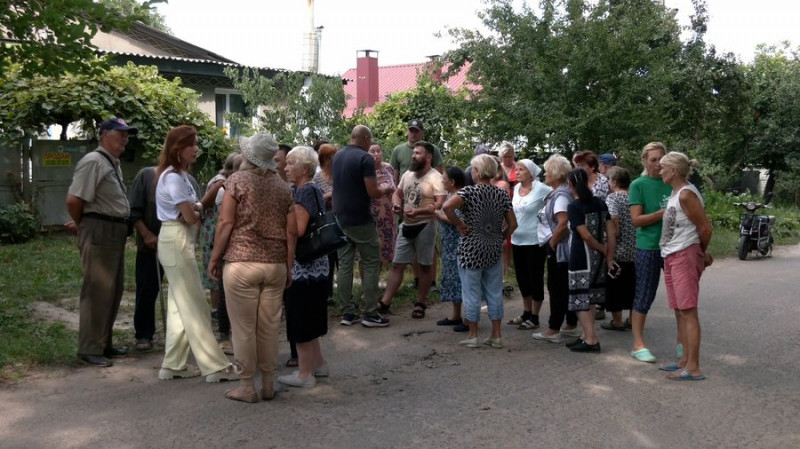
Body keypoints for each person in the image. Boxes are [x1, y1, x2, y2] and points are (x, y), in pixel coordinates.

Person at [208, 133, 295, 402]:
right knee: (269, 327)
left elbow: (225, 224)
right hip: (275, 264)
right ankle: (268, 383)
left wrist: (214, 257)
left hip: (241, 263)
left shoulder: (236, 181)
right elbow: (291, 231)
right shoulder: (283, 187)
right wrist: (289, 266)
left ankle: (247, 385)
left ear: (248, 156)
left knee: (243, 328)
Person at [153, 125, 239, 384]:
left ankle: (173, 365)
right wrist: (197, 212)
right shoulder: (172, 178)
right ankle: (215, 367)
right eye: (192, 145)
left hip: (180, 240)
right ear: (178, 148)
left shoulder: (179, 176)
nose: (196, 149)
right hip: (176, 239)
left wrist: (196, 210)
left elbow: (194, 210)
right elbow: (191, 216)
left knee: (181, 308)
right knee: (196, 306)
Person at [65, 117, 136, 367]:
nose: (125, 138)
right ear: (105, 134)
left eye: (127, 134)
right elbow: (74, 200)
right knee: (97, 290)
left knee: (112, 290)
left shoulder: (110, 162)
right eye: (120, 133)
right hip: (100, 229)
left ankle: (103, 343)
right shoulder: (94, 161)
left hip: (112, 230)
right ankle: (89, 347)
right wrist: (84, 224)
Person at [129, 160, 210, 352]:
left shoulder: (188, 180)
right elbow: (134, 211)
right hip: (150, 245)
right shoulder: (146, 175)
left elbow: (196, 212)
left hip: (179, 245)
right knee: (146, 290)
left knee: (182, 292)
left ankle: (183, 336)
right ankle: (143, 334)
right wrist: (147, 235)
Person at [443, 154, 517, 349]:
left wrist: (459, 224)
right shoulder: (501, 194)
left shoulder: (468, 192)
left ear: (476, 172)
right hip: (493, 248)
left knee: (471, 292)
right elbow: (513, 224)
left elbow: (446, 206)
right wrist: (500, 237)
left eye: (473, 169)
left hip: (471, 248)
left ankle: (473, 334)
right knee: (494, 292)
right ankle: (496, 335)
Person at [277, 146, 331, 389]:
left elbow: (297, 230)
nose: (286, 168)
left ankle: (304, 373)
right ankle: (318, 364)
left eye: (290, 163)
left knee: (301, 318)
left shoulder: (304, 191)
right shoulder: (313, 188)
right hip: (317, 264)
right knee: (312, 316)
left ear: (304, 168)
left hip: (304, 267)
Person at [658, 152, 713, 381]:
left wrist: (700, 253)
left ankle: (694, 367)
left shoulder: (686, 194)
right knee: (680, 311)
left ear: (673, 171)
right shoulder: (675, 194)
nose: (660, 171)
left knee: (689, 312)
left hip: (684, 255)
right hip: (671, 255)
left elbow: (705, 228)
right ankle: (683, 361)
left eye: (663, 168)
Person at [332, 125, 394, 327]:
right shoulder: (365, 158)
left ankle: (348, 312)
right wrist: (384, 189)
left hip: (340, 216)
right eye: (371, 140)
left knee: (345, 264)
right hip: (360, 217)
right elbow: (372, 191)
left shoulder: (338, 155)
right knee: (370, 262)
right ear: (366, 138)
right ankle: (371, 313)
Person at [378, 141, 446, 319]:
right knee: (397, 264)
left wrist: (418, 211)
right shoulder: (408, 174)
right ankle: (385, 302)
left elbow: (439, 204)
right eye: (413, 152)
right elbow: (396, 194)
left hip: (426, 225)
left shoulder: (436, 177)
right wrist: (395, 205)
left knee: (424, 267)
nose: (413, 156)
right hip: (406, 224)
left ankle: (420, 303)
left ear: (429, 157)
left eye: (418, 153)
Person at [628, 142, 673, 363]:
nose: (657, 164)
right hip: (649, 247)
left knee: (679, 297)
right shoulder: (639, 184)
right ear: (645, 161)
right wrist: (662, 213)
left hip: (675, 247)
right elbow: (636, 220)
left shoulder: (674, 183)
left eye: (660, 159)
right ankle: (638, 344)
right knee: (645, 294)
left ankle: (684, 343)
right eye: (652, 159)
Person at [531, 155, 581, 344]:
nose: (545, 175)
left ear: (556, 173)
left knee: (557, 288)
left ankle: (554, 328)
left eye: (547, 171)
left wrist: (551, 244)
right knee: (564, 287)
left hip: (560, 250)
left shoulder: (560, 195)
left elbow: (562, 223)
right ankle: (570, 324)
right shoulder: (563, 192)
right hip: (563, 249)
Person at [565, 168, 615, 353]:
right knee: (592, 297)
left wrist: (602, 249)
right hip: (599, 259)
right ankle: (586, 335)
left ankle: (591, 340)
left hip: (582, 257)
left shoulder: (574, 206)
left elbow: (584, 235)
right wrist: (608, 254)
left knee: (580, 298)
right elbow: (611, 231)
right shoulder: (600, 203)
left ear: (571, 184)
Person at [199, 154, 238, 354]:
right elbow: (221, 216)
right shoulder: (221, 184)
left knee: (223, 283)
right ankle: (219, 319)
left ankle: (221, 318)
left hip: (219, 232)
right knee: (219, 282)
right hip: (216, 233)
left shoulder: (227, 182)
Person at [507, 159, 551, 330]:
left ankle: (535, 316)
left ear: (531, 172)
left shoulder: (542, 189)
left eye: (521, 169)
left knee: (535, 277)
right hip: (517, 240)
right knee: (522, 278)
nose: (517, 172)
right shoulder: (517, 188)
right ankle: (526, 312)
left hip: (535, 241)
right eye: (516, 169)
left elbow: (557, 200)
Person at [600, 166, 636, 331]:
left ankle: (617, 321)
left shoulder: (613, 197)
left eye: (609, 180)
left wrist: (615, 230)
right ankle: (633, 318)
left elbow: (613, 216)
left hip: (619, 249)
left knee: (615, 285)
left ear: (614, 182)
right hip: (635, 249)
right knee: (633, 286)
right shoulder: (634, 196)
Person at [435, 166, 467, 332]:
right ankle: (456, 315)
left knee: (463, 280)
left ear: (453, 182)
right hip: (449, 245)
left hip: (458, 245)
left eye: (445, 178)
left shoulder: (461, 197)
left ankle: (469, 317)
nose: (442, 181)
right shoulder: (451, 195)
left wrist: (439, 215)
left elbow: (459, 220)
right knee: (453, 279)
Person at [368, 142, 397, 268]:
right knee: (372, 249)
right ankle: (371, 282)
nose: (376, 154)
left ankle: (383, 274)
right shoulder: (365, 170)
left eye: (378, 151)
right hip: (371, 215)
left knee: (387, 246)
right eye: (372, 151)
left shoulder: (389, 167)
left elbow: (395, 186)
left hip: (388, 215)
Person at [389, 119, 443, 184]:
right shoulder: (397, 150)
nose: (413, 134)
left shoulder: (432, 149)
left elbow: (439, 174)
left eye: (416, 131)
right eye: (411, 131)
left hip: (426, 188)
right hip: (404, 188)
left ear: (422, 133)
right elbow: (394, 176)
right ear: (407, 132)